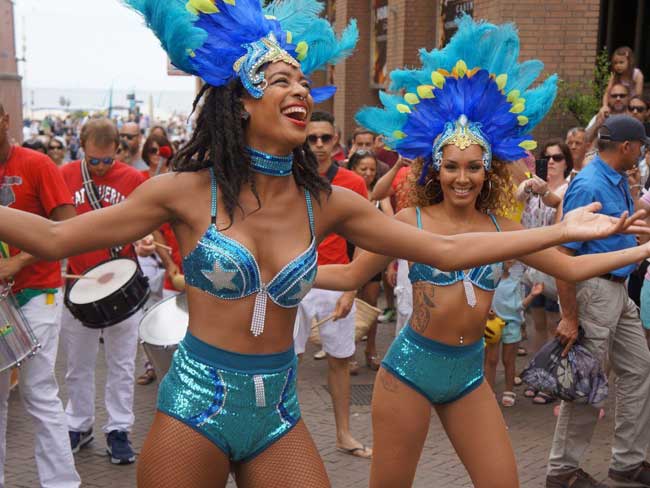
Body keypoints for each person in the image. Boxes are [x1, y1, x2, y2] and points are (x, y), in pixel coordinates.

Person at [0, 6, 644, 488]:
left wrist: (562, 229)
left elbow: (446, 254)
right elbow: (55, 236)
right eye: (278, 79)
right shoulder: (185, 191)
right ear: (238, 98)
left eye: (303, 81)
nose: (300, 90)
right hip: (196, 403)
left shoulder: (329, 200)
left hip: (278, 411)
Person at [314, 16, 650, 488]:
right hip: (409, 370)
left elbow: (571, 265)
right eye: (451, 166)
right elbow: (350, 275)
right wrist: (289, 272)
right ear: (435, 168)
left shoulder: (500, 227)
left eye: (474, 167)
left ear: (489, 170)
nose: (462, 177)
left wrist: (639, 252)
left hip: (469, 377)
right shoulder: (408, 222)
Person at [548, 115, 650, 488]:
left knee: (639, 369)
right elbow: (562, 255)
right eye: (641, 146)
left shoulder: (616, 178)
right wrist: (569, 317)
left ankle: (627, 461)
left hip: (617, 289)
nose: (642, 153)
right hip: (593, 288)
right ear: (626, 147)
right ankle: (562, 471)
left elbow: (634, 221)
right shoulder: (589, 183)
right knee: (587, 382)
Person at [0, 102, 81, 488]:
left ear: (5, 121)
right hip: (1, 302)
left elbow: (68, 227)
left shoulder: (36, 164)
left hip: (37, 292)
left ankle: (62, 483)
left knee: (37, 390)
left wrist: (18, 262)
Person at [59, 118, 146, 465]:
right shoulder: (64, 175)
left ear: (117, 152)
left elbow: (147, 221)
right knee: (77, 365)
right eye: (94, 160)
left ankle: (119, 429)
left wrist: (147, 237)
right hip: (77, 283)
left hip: (120, 283)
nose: (100, 167)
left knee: (122, 363)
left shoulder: (133, 180)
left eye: (107, 160)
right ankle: (79, 423)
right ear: (81, 148)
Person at [294, 111, 372, 457]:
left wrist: (351, 288)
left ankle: (343, 434)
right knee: (285, 361)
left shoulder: (353, 183)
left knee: (340, 360)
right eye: (312, 138)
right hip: (292, 280)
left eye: (326, 138)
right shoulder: (286, 177)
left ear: (337, 141)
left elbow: (366, 239)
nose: (319, 145)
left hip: (337, 278)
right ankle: (282, 437)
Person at [516, 140, 573, 405]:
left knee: (554, 326)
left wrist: (544, 191)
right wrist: (527, 186)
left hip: (553, 266)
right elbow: (515, 201)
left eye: (557, 157)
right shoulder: (531, 185)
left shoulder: (569, 186)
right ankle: (537, 377)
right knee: (536, 325)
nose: (551, 162)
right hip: (530, 267)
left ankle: (553, 383)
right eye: (546, 157)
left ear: (567, 162)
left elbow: (558, 204)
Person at [347, 150, 393, 370]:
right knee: (349, 303)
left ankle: (371, 348)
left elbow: (391, 218)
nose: (368, 173)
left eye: (372, 170)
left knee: (372, 303)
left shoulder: (379, 192)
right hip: (347, 252)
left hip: (372, 252)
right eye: (362, 169)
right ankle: (349, 351)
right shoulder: (347, 191)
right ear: (353, 169)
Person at [484, 262, 543, 407]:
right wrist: (487, 311)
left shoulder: (516, 282)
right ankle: (488, 391)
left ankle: (509, 391)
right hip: (493, 324)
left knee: (508, 360)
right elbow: (483, 299)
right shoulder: (489, 280)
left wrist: (533, 295)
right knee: (491, 360)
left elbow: (520, 305)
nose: (508, 262)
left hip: (512, 325)